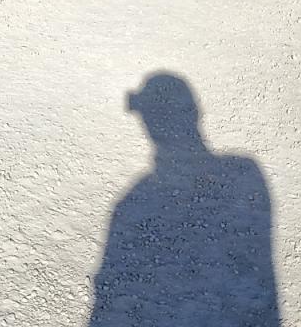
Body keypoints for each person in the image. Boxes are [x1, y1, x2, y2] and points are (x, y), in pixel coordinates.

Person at [89, 72, 281, 327]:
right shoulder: (244, 175)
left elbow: (110, 302)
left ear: (149, 126)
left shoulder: (136, 203)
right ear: (194, 114)